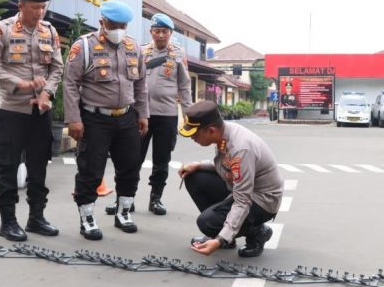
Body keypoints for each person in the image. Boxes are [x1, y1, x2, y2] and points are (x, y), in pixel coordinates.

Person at [0, 0, 64, 241]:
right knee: (7, 166)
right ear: (21, 6)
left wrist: (46, 93)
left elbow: (56, 69)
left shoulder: (50, 32)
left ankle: (36, 217)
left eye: (42, 7)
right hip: (11, 111)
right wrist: (21, 84)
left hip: (40, 112)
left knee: (38, 166)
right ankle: (7, 221)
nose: (39, 13)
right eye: (34, 8)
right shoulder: (2, 30)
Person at [62, 0, 149, 240]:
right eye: (114, 24)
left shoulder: (133, 47)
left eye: (123, 25)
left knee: (130, 166)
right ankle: (87, 217)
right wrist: (73, 119)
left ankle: (123, 212)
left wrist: (143, 114)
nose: (119, 30)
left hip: (127, 117)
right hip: (94, 118)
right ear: (102, 22)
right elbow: (70, 83)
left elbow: (141, 84)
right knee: (90, 169)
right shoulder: (85, 46)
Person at [105, 13, 191, 216]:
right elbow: (129, 80)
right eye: (157, 31)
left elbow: (184, 86)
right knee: (131, 159)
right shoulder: (141, 51)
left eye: (164, 31)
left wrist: (188, 113)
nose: (160, 35)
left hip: (167, 115)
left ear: (170, 33)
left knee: (162, 160)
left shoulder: (178, 54)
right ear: (151, 32)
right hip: (141, 114)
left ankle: (156, 199)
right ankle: (125, 200)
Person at [178, 101, 283, 258]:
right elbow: (228, 166)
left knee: (206, 223)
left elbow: (243, 200)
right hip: (242, 188)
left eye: (195, 134)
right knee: (195, 177)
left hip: (262, 201)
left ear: (211, 130)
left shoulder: (241, 148)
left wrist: (221, 239)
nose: (192, 138)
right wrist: (198, 165)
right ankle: (229, 236)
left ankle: (257, 233)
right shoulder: (223, 133)